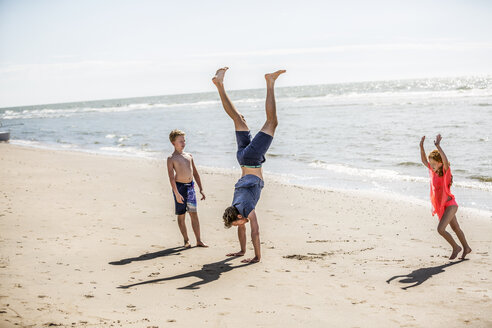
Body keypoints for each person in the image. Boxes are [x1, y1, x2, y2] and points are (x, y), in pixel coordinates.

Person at [212, 67, 286, 263]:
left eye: (237, 223)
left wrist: (256, 257)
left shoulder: (246, 208)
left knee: (272, 122)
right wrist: (241, 251)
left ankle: (270, 81)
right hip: (242, 159)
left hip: (252, 159)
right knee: (239, 119)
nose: (240, 225)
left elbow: (255, 232)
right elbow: (243, 229)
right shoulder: (236, 204)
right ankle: (219, 85)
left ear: (238, 215)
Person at [419, 134, 471, 259]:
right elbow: (424, 161)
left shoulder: (445, 172)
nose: (431, 165)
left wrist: (438, 146)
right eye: (430, 163)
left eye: (433, 163)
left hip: (450, 205)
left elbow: (445, 160)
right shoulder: (433, 171)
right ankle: (467, 248)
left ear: (440, 163)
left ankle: (456, 247)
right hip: (443, 206)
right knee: (455, 227)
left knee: (440, 229)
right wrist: (421, 147)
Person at [167, 129, 207, 248]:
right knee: (181, 214)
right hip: (179, 188)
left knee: (194, 213)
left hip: (190, 187)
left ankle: (199, 240)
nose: (183, 143)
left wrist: (201, 188)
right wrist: (176, 193)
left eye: (184, 140)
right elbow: (171, 177)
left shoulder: (189, 156)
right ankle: (186, 240)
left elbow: (195, 172)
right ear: (173, 143)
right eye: (180, 141)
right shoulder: (171, 158)